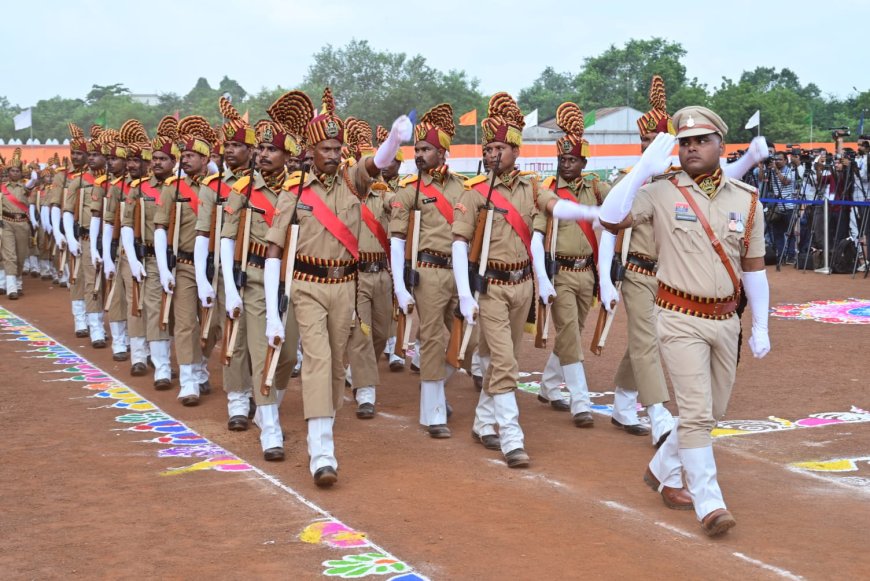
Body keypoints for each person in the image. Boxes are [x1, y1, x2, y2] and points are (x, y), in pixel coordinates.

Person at [600, 106, 771, 537]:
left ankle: (662, 467)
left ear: (721, 146)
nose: (691, 148)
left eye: (701, 140)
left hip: (726, 320)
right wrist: (642, 168)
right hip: (677, 316)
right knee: (695, 412)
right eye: (685, 142)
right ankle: (709, 502)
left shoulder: (746, 200)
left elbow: (753, 268)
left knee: (713, 412)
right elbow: (609, 217)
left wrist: (762, 325)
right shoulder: (660, 191)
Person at [264, 87, 410, 486]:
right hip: (306, 285)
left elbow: (377, 165)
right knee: (316, 360)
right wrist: (275, 310)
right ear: (311, 150)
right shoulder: (294, 188)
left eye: (336, 147)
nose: (332, 153)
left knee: (334, 367)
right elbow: (275, 248)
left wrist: (394, 139)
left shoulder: (352, 183)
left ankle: (323, 432)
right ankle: (322, 450)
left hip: (346, 285)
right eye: (325, 147)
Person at [452, 92, 598, 468]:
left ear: (516, 151)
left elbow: (551, 206)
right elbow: (458, 244)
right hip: (491, 286)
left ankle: (483, 421)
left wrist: (582, 210)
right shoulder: (473, 193)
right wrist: (466, 294)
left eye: (500, 147)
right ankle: (511, 436)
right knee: (503, 361)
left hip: (523, 286)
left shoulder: (532, 187)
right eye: (489, 148)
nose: (492, 154)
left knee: (504, 357)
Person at [532, 101, 639, 433]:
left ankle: (549, 387)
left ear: (583, 161)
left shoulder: (595, 187)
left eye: (572, 159)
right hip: (560, 272)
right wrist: (542, 278)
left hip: (588, 274)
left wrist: (639, 175)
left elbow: (619, 203)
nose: (566, 164)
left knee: (571, 333)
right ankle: (580, 401)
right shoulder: (547, 192)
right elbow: (537, 235)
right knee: (569, 333)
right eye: (562, 159)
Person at [218, 91, 305, 460]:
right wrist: (230, 289)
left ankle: (267, 398)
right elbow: (225, 239)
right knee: (263, 350)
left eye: (272, 149)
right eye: (261, 149)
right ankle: (270, 427)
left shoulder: (300, 188)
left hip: (294, 281)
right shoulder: (243, 189)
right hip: (254, 279)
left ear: (287, 156)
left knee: (286, 356)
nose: (263, 154)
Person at [389, 103, 469, 439]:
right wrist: (400, 286)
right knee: (434, 338)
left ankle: (431, 391)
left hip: (460, 270)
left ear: (442, 151)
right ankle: (433, 411)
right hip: (428, 270)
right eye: (417, 149)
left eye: (426, 149)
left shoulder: (463, 187)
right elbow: (396, 240)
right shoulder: (409, 190)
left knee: (466, 338)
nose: (419, 154)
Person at [195, 96, 256, 431]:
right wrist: (206, 279)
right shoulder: (213, 186)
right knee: (234, 334)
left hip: (262, 269)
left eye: (237, 146)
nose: (230, 151)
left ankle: (260, 398)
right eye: (226, 146)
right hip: (226, 269)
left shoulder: (266, 183)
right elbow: (204, 232)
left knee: (259, 337)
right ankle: (237, 399)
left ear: (251, 150)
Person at [154, 116, 216, 406]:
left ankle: (202, 364)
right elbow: (160, 228)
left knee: (213, 324)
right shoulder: (172, 187)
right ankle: (189, 377)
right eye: (185, 155)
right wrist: (165, 268)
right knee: (185, 324)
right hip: (185, 264)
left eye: (192, 155)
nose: (186, 159)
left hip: (215, 266)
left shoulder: (219, 187)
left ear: (206, 159)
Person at [343, 118, 393, 419]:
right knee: (361, 333)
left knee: (381, 332)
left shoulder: (384, 194)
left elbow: (398, 206)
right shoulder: (347, 197)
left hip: (382, 274)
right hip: (357, 273)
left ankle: (358, 372)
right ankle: (365, 392)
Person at [117, 119, 153, 376]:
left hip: (159, 254)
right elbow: (126, 225)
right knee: (135, 303)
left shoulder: (166, 187)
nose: (131, 164)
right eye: (129, 159)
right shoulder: (132, 189)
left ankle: (156, 351)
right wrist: (132, 256)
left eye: (137, 160)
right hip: (135, 252)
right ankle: (138, 355)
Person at [95, 131, 131, 362]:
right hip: (120, 249)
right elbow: (108, 223)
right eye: (108, 159)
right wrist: (106, 255)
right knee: (117, 297)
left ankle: (141, 345)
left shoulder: (143, 186)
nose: (110, 163)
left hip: (143, 250)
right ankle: (119, 341)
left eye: (115, 159)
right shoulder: (115, 187)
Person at [59, 124, 95, 337]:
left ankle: (94, 321)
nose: (76, 157)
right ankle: (80, 320)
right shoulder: (69, 177)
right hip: (77, 234)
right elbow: (62, 209)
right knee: (77, 278)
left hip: (97, 237)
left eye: (80, 153)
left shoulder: (98, 178)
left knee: (94, 281)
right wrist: (66, 236)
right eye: (73, 153)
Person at [1, 149, 31, 299]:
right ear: (8, 172)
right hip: (6, 223)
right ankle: (11, 288)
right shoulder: (2, 189)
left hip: (22, 224)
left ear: (21, 173)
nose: (14, 173)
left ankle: (18, 284)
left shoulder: (25, 188)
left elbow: (33, 184)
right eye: (12, 170)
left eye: (17, 171)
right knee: (9, 256)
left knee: (20, 256)